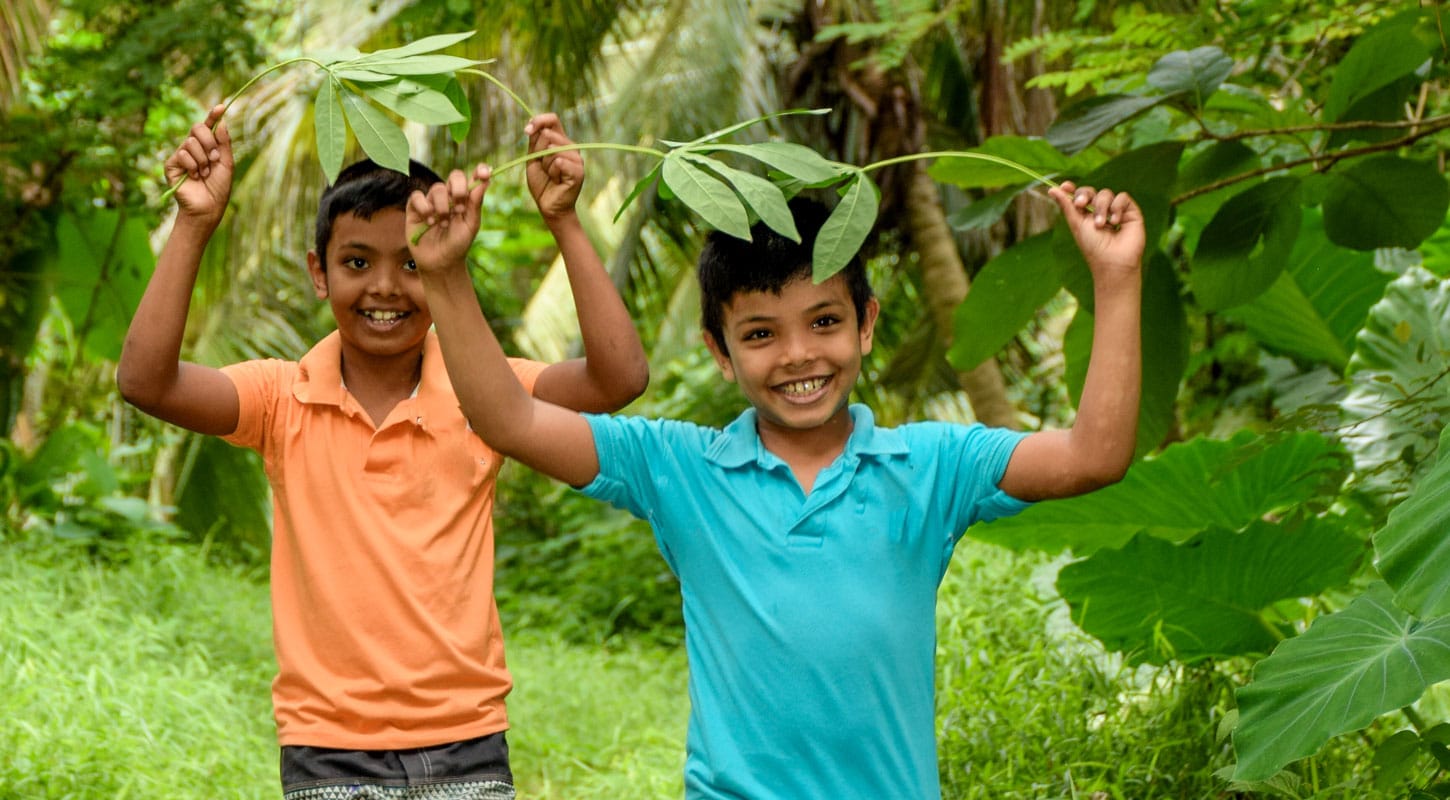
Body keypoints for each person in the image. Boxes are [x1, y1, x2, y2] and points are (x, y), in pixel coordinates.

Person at [412, 163, 1144, 799]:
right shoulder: (680, 470)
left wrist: (1115, 279)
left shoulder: (932, 467)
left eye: (824, 321)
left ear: (866, 324)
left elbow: (1093, 456)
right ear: (720, 353)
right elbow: (508, 419)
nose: (797, 355)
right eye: (760, 334)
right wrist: (444, 276)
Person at [117, 104, 648, 799]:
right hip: (328, 752)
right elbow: (146, 381)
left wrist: (565, 222)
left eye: (413, 262)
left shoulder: (487, 395)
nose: (386, 288)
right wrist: (193, 223)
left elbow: (618, 380)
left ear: (445, 261)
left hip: (468, 744)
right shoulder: (281, 397)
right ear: (319, 272)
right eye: (357, 262)